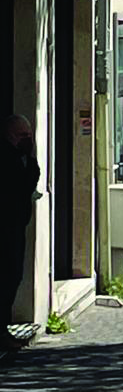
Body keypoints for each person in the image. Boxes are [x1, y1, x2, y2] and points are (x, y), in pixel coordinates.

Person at [1, 115, 40, 348]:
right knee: (8, 277)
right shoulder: (9, 157)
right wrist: (31, 160)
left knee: (11, 276)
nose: (28, 139)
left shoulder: (16, 156)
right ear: (12, 135)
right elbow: (24, 186)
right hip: (7, 227)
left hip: (14, 225)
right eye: (24, 135)